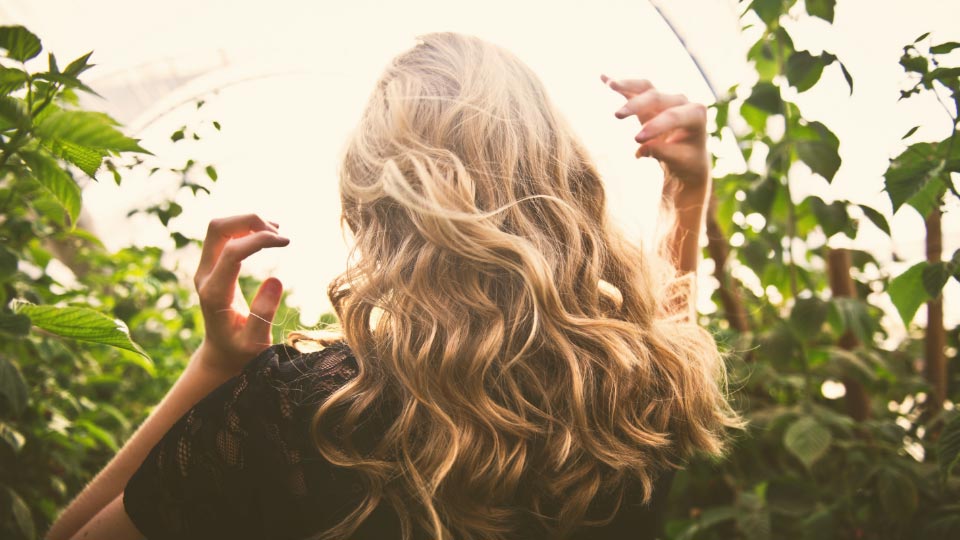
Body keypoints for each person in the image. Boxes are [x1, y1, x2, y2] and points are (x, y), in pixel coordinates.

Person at [46, 32, 740, 540]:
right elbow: (661, 327)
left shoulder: (301, 415)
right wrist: (686, 191)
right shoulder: (640, 387)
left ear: (373, 203)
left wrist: (215, 369)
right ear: (559, 176)